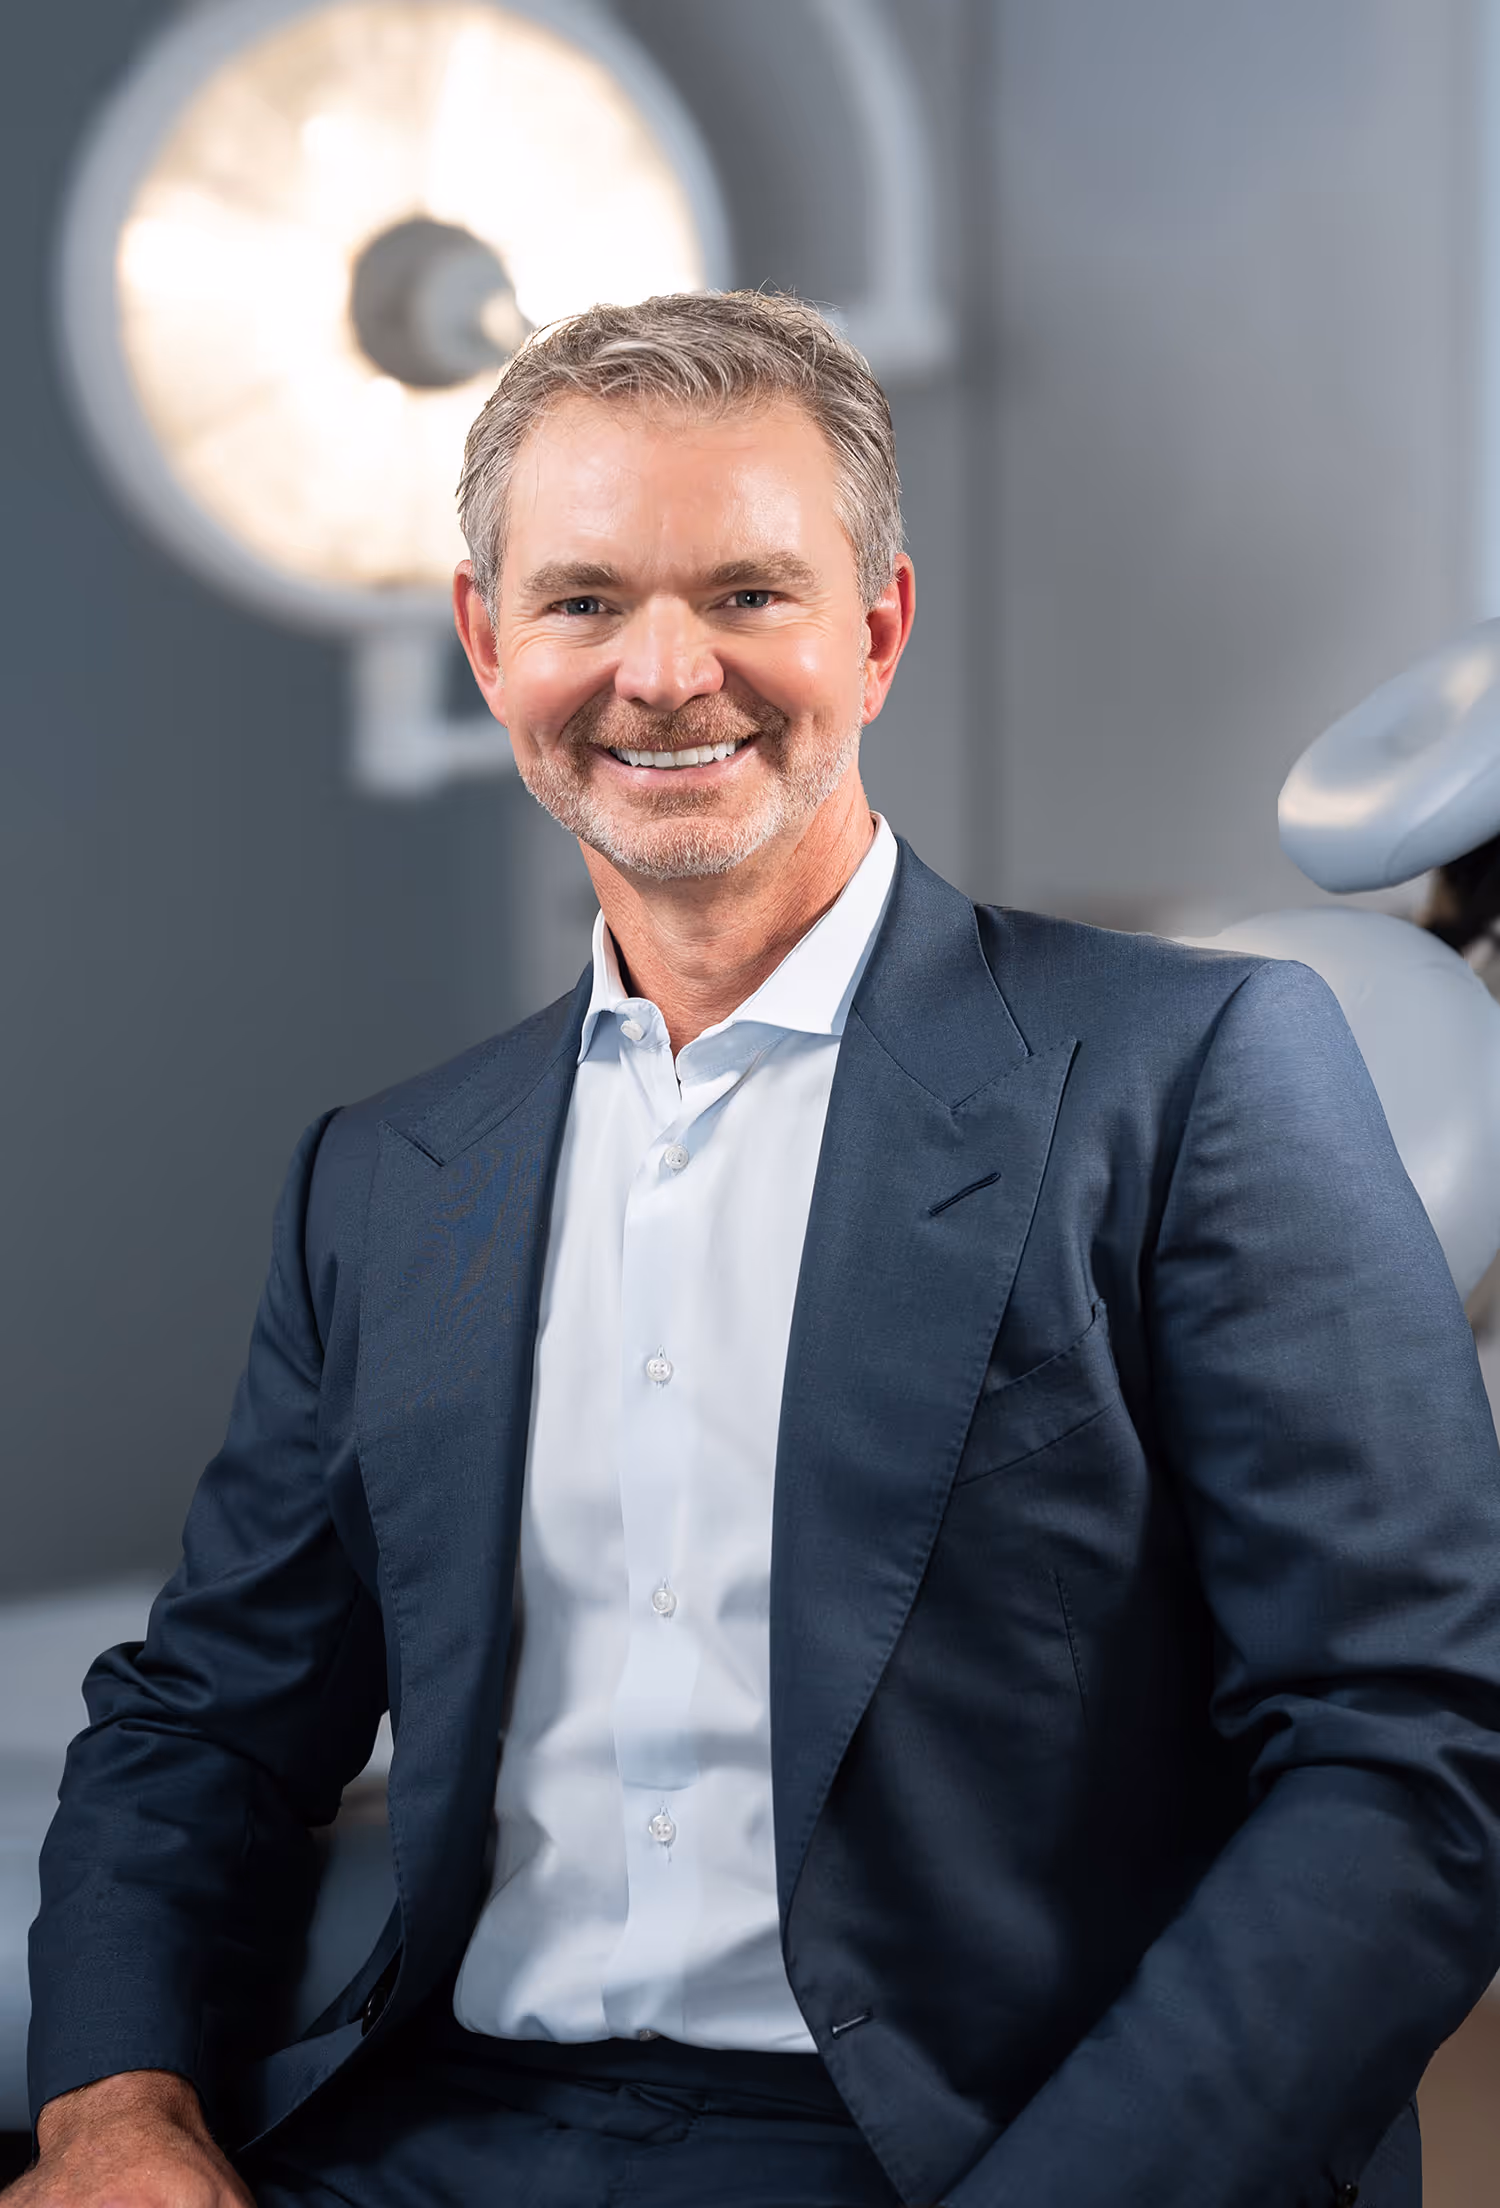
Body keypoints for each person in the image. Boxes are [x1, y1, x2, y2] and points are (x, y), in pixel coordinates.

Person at [15, 290, 1500, 2208]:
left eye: (745, 593)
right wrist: (115, 2110)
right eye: (580, 603)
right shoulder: (387, 1177)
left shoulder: (1193, 1069)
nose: (662, 673)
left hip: (970, 2152)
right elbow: (205, 1718)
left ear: (876, 630)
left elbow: (1414, 1759)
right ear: (487, 644)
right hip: (435, 2132)